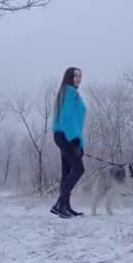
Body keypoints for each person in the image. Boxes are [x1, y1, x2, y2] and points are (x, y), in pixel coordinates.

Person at [51, 66, 87, 218]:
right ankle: (60, 204)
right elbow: (66, 117)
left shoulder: (68, 92)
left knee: (67, 172)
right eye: (75, 76)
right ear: (69, 77)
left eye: (79, 76)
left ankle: (65, 206)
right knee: (78, 169)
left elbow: (72, 117)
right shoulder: (69, 92)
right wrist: (75, 140)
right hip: (67, 136)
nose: (78, 79)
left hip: (63, 135)